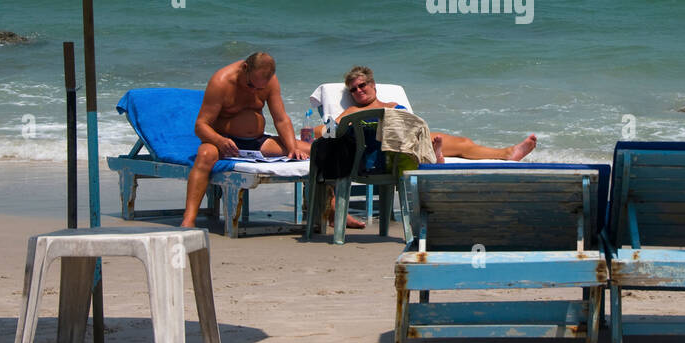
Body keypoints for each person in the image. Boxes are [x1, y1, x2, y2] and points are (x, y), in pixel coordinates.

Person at [181, 52, 307, 228]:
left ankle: (329, 211)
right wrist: (219, 141)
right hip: (224, 141)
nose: (253, 91)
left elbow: (281, 119)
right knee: (205, 155)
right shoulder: (221, 82)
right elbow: (201, 126)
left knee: (313, 150)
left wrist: (292, 147)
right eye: (250, 85)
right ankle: (189, 219)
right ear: (245, 68)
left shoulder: (268, 81)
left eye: (259, 89)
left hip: (256, 142)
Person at [336, 66, 537, 161]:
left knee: (464, 143)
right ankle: (436, 156)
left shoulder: (393, 104)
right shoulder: (352, 111)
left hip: (412, 140)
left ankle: (506, 153)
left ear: (373, 85)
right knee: (434, 144)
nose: (358, 91)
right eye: (353, 89)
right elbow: (326, 131)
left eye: (362, 85)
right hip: (384, 151)